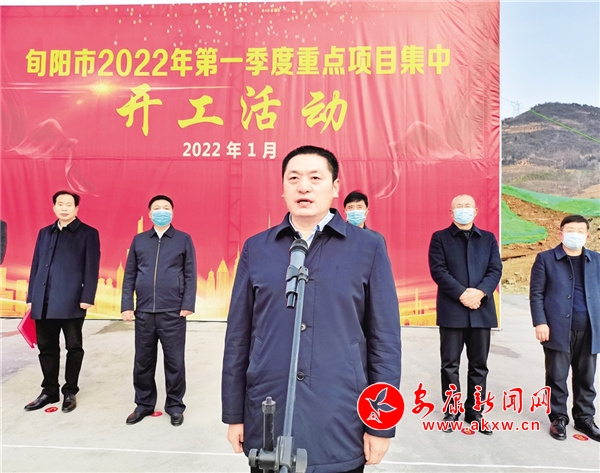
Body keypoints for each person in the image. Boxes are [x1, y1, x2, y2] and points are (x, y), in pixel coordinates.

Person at [222, 145, 401, 473]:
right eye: (294, 178)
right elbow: (239, 337)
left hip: (340, 417)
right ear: (283, 189)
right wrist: (234, 414)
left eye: (315, 178)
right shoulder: (257, 248)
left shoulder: (368, 247)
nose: (303, 186)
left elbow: (384, 340)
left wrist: (381, 424)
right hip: (268, 413)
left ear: (335, 187)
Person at [428, 194, 502, 434]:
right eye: (459, 206)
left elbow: (495, 269)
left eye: (468, 206)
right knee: (450, 364)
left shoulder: (488, 239)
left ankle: (475, 412)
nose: (463, 210)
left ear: (476, 210)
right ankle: (452, 410)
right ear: (451, 212)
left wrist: (479, 293)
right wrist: (462, 294)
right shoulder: (440, 238)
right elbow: (439, 271)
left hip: (482, 310)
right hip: (452, 310)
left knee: (479, 365)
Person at [121, 195, 197, 427]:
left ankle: (175, 406)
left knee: (174, 362)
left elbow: (190, 273)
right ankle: (144, 404)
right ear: (149, 213)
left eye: (166, 208)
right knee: (143, 361)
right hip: (144, 311)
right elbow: (130, 274)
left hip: (173, 312)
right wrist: (127, 305)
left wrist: (187, 304)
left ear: (172, 212)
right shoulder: (140, 240)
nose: (161, 211)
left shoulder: (183, 239)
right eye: (157, 208)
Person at [24, 190, 100, 413]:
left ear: (76, 208)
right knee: (46, 347)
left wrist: (87, 297)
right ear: (54, 207)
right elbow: (36, 265)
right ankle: (49, 390)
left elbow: (92, 267)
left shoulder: (88, 233)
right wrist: (31, 297)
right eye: (60, 204)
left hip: (72, 301)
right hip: (43, 301)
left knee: (73, 347)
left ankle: (70, 391)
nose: (64, 208)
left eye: (69, 204)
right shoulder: (45, 233)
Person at [530, 215, 600, 442]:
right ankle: (558, 418)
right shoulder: (546, 259)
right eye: (570, 230)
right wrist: (540, 322)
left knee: (586, 378)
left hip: (589, 329)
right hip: (557, 328)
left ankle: (585, 418)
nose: (575, 234)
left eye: (580, 231)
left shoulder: (596, 260)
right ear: (560, 233)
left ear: (587, 235)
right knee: (556, 376)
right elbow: (536, 294)